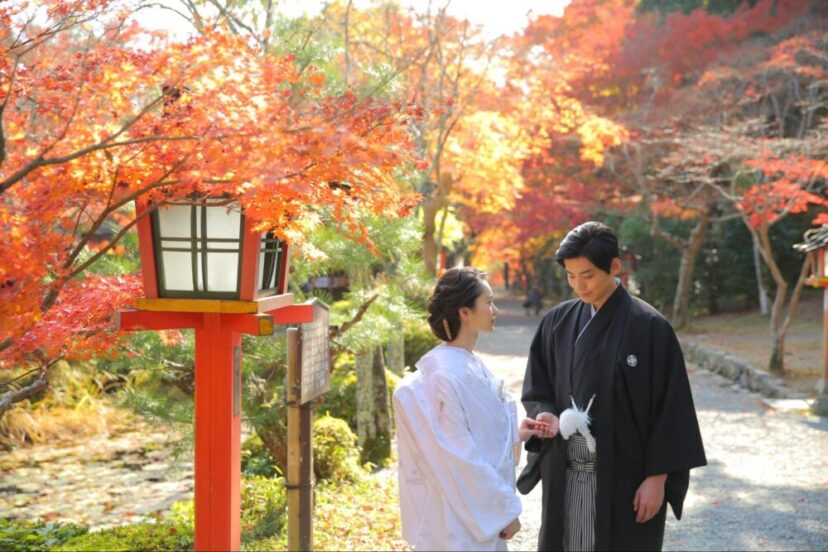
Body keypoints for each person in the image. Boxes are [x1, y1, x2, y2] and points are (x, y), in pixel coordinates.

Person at [518, 222, 707, 551]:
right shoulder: (557, 322)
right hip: (566, 468)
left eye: (587, 275)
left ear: (614, 267)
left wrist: (657, 478)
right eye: (571, 275)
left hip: (627, 474)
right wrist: (545, 414)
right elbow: (539, 386)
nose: (579, 285)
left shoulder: (650, 328)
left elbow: (671, 409)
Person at [393, 267, 550, 551]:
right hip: (458, 515)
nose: (495, 309)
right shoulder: (443, 375)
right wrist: (504, 511)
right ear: (464, 312)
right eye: (488, 302)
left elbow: (473, 433)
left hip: (472, 512)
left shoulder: (466, 363)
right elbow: (459, 456)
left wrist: (515, 432)